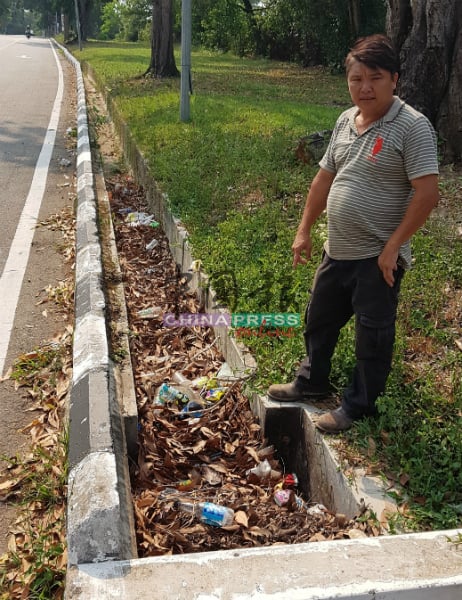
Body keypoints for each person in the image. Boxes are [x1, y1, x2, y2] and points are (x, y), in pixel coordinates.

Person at [267, 34, 440, 433]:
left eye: (375, 78)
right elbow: (324, 179)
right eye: (356, 78)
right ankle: (311, 381)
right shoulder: (346, 120)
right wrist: (304, 229)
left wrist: (393, 247)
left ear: (394, 79)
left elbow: (428, 194)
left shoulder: (412, 126)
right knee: (319, 320)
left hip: (378, 257)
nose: (364, 87)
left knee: (372, 335)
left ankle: (358, 405)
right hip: (337, 250)